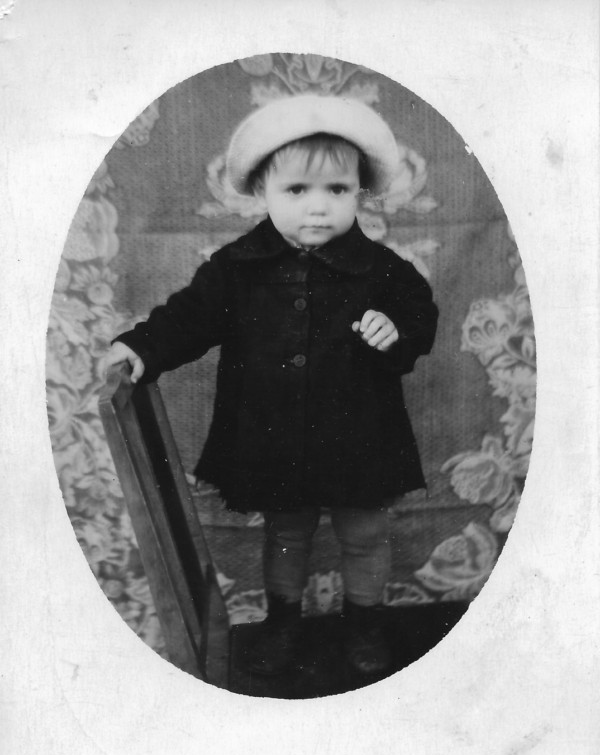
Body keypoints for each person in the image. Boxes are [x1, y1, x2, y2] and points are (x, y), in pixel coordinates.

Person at [104, 94, 438, 680]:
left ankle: (364, 621)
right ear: (262, 190)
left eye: (337, 190)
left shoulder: (383, 270)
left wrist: (397, 330)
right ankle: (283, 621)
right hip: (275, 433)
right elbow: (189, 317)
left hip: (360, 433)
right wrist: (142, 346)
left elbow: (419, 315)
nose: (318, 207)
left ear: (359, 192)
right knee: (287, 531)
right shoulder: (237, 267)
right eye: (296, 190)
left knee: (364, 531)